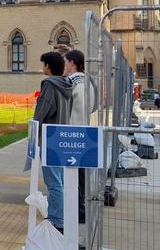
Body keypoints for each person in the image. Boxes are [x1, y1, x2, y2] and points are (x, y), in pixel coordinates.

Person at [34, 51, 73, 233]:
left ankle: (57, 221)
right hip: (60, 136)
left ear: (48, 67)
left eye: (44, 65)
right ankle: (61, 216)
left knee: (54, 181)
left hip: (49, 138)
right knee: (60, 180)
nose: (43, 68)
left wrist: (34, 130)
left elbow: (42, 113)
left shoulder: (49, 86)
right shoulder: (66, 85)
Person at [65, 49, 96, 225]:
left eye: (66, 61)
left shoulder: (71, 82)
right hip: (83, 131)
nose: (64, 64)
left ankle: (76, 211)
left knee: (71, 174)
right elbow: (91, 108)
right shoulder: (88, 82)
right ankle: (80, 209)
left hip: (70, 134)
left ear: (72, 63)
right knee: (81, 174)